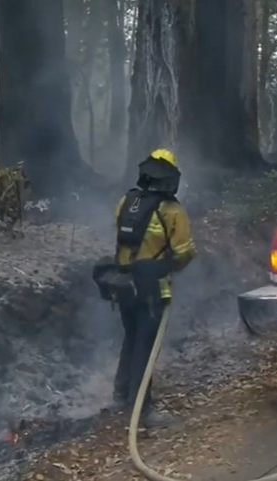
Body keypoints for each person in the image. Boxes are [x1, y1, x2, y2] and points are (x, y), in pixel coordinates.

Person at [111, 148, 197, 429]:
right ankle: (143, 410)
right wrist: (168, 266)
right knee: (145, 348)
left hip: (124, 286)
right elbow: (184, 252)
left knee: (131, 337)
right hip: (152, 291)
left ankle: (121, 395)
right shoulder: (172, 211)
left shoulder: (127, 201)